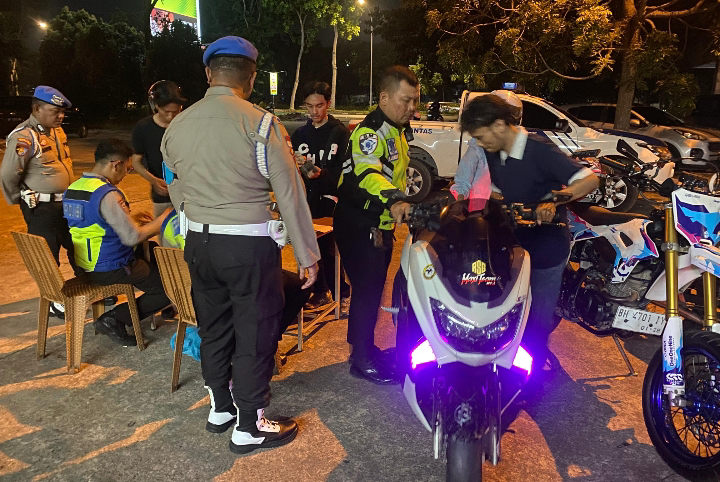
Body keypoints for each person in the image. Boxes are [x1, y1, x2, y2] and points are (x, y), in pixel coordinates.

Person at [161, 36, 320, 455]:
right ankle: (249, 426)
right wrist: (307, 253)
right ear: (250, 79)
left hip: (199, 243)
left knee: (213, 327)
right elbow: (290, 193)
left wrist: (193, 213)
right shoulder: (262, 124)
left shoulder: (178, 124)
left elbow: (173, 184)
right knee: (254, 333)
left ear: (208, 73)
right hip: (248, 247)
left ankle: (220, 407)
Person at [458, 94, 599, 370]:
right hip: (514, 243)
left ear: (499, 125)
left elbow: (589, 179)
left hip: (547, 247)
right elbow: (499, 189)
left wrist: (556, 200)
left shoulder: (539, 150)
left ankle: (533, 374)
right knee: (506, 309)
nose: (479, 143)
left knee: (536, 319)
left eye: (480, 136)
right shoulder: (494, 151)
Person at [334, 66, 420, 385]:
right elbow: (368, 173)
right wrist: (395, 199)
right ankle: (361, 360)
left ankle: (365, 349)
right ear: (384, 97)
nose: (412, 107)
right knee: (368, 292)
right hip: (360, 222)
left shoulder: (396, 128)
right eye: (405, 100)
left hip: (378, 222)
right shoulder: (370, 132)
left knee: (372, 289)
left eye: (415, 100)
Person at [62, 139, 173, 346]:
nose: (125, 175)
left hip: (85, 263)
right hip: (111, 266)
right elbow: (132, 238)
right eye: (128, 169)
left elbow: (93, 222)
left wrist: (131, 219)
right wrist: (162, 220)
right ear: (116, 165)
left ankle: (160, 304)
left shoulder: (75, 188)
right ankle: (115, 318)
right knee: (170, 287)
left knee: (153, 250)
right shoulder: (108, 194)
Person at [1, 86, 78, 319]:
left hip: (66, 204)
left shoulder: (57, 131)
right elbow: (8, 174)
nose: (60, 116)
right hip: (42, 208)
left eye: (62, 112)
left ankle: (88, 287)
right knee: (48, 255)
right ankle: (55, 300)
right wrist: (21, 199)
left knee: (77, 246)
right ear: (36, 109)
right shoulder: (24, 136)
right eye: (55, 111)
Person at [291, 81, 351, 310]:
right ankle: (319, 291)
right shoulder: (300, 134)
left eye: (319, 105)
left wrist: (322, 174)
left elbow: (346, 171)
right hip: (307, 200)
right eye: (309, 106)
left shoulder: (339, 133)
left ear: (328, 104)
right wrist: (297, 165)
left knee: (329, 249)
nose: (314, 111)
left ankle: (341, 293)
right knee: (309, 247)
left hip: (331, 200)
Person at [450, 90, 523, 211]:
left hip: (509, 213)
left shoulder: (523, 147)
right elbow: (463, 179)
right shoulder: (478, 145)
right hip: (479, 212)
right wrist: (459, 204)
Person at [131, 80, 185, 226]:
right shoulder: (143, 128)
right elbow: (136, 161)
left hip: (188, 193)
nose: (171, 116)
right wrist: (154, 181)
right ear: (155, 106)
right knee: (165, 231)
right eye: (166, 112)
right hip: (162, 194)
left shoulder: (186, 125)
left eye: (176, 111)